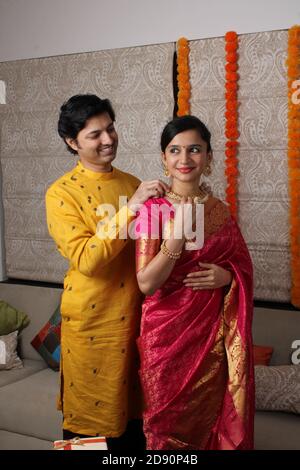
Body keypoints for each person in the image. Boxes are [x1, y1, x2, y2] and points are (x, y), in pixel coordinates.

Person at [45, 94, 170, 451]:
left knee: (134, 430)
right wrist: (131, 208)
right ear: (72, 142)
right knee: (89, 432)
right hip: (92, 327)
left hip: (137, 322)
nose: (108, 139)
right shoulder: (60, 194)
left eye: (111, 129)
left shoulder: (132, 183)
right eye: (94, 134)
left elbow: (162, 248)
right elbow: (86, 257)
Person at [135, 115, 255, 450]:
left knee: (207, 426)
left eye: (194, 150)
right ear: (163, 158)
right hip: (164, 338)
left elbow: (241, 267)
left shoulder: (220, 211)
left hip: (210, 341)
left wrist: (227, 277)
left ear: (209, 157)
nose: (184, 159)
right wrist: (175, 239)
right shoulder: (152, 210)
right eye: (174, 150)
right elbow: (146, 284)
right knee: (163, 428)